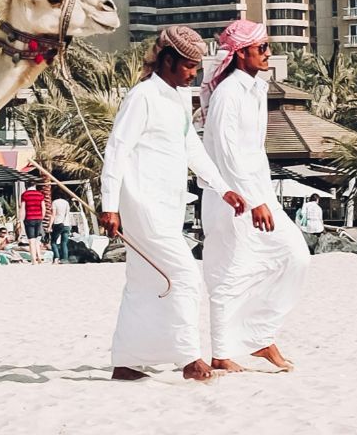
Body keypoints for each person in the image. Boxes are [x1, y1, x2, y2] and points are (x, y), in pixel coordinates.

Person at [98, 25, 247, 383]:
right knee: (183, 275)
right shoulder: (142, 96)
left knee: (142, 281)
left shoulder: (178, 98)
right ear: (166, 60)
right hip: (142, 204)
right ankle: (190, 358)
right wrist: (109, 205)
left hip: (168, 204)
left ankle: (126, 361)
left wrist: (223, 187)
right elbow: (116, 149)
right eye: (188, 66)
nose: (194, 73)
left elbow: (191, 148)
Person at [200, 19, 310, 373]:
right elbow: (227, 154)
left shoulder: (254, 89)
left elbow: (250, 152)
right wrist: (252, 200)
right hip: (232, 198)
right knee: (229, 271)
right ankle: (221, 353)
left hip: (259, 192)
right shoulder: (228, 93)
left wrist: (262, 197)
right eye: (262, 47)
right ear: (241, 53)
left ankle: (260, 336)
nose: (268, 53)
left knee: (295, 256)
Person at [19, 183, 48, 263]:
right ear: (34, 186)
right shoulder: (40, 194)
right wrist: (41, 218)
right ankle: (39, 257)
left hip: (29, 219)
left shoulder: (25, 195)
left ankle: (33, 260)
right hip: (38, 218)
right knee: (37, 239)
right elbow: (43, 208)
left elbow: (23, 208)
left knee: (31, 240)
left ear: (26, 186)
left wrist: (21, 220)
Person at [49, 191, 72, 263]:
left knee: (53, 242)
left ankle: (56, 257)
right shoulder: (66, 203)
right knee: (64, 243)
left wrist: (49, 226)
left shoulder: (55, 202)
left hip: (58, 223)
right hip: (67, 224)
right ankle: (65, 259)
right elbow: (67, 213)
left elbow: (53, 215)